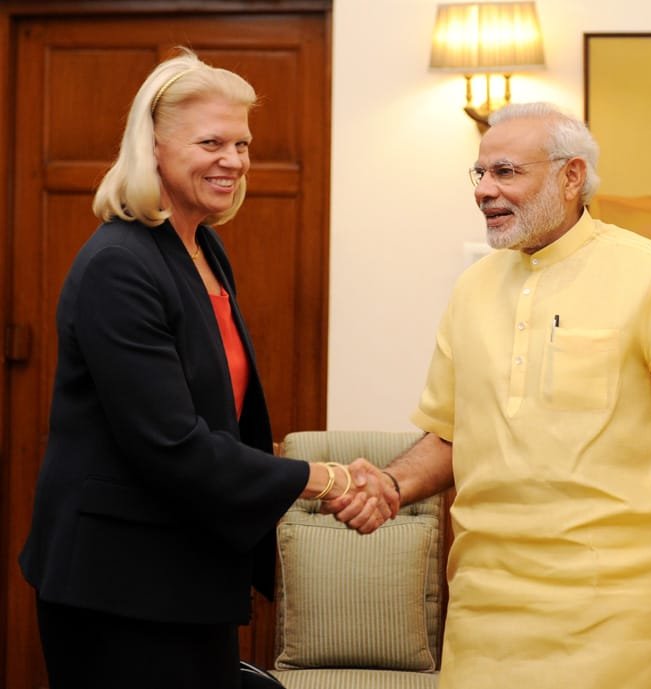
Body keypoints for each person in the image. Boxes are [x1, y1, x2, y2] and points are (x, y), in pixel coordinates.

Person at [330, 102, 651, 689]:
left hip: (626, 615)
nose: (484, 190)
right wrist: (391, 485)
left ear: (571, 176)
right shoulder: (473, 289)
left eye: (505, 172)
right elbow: (454, 434)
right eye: (479, 174)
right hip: (486, 615)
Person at [18, 48, 393, 689]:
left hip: (188, 571)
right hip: (120, 587)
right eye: (212, 141)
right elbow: (170, 444)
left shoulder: (202, 246)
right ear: (153, 147)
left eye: (243, 143)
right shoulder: (121, 263)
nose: (234, 160)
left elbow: (220, 423)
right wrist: (326, 477)